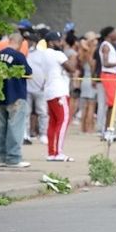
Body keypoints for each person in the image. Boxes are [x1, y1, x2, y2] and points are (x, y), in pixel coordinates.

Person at [0, 33, 32, 168]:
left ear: (9, 40)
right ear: (21, 43)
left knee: (1, 128)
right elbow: (28, 71)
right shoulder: (18, 56)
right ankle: (13, 158)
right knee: (15, 127)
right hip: (16, 95)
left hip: (0, 96)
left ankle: (1, 157)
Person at [43, 31, 77, 161]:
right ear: (51, 42)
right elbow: (72, 68)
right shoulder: (58, 54)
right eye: (58, 41)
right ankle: (58, 152)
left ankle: (52, 152)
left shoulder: (44, 54)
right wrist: (72, 58)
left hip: (50, 90)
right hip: (59, 91)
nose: (60, 43)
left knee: (53, 122)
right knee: (63, 121)